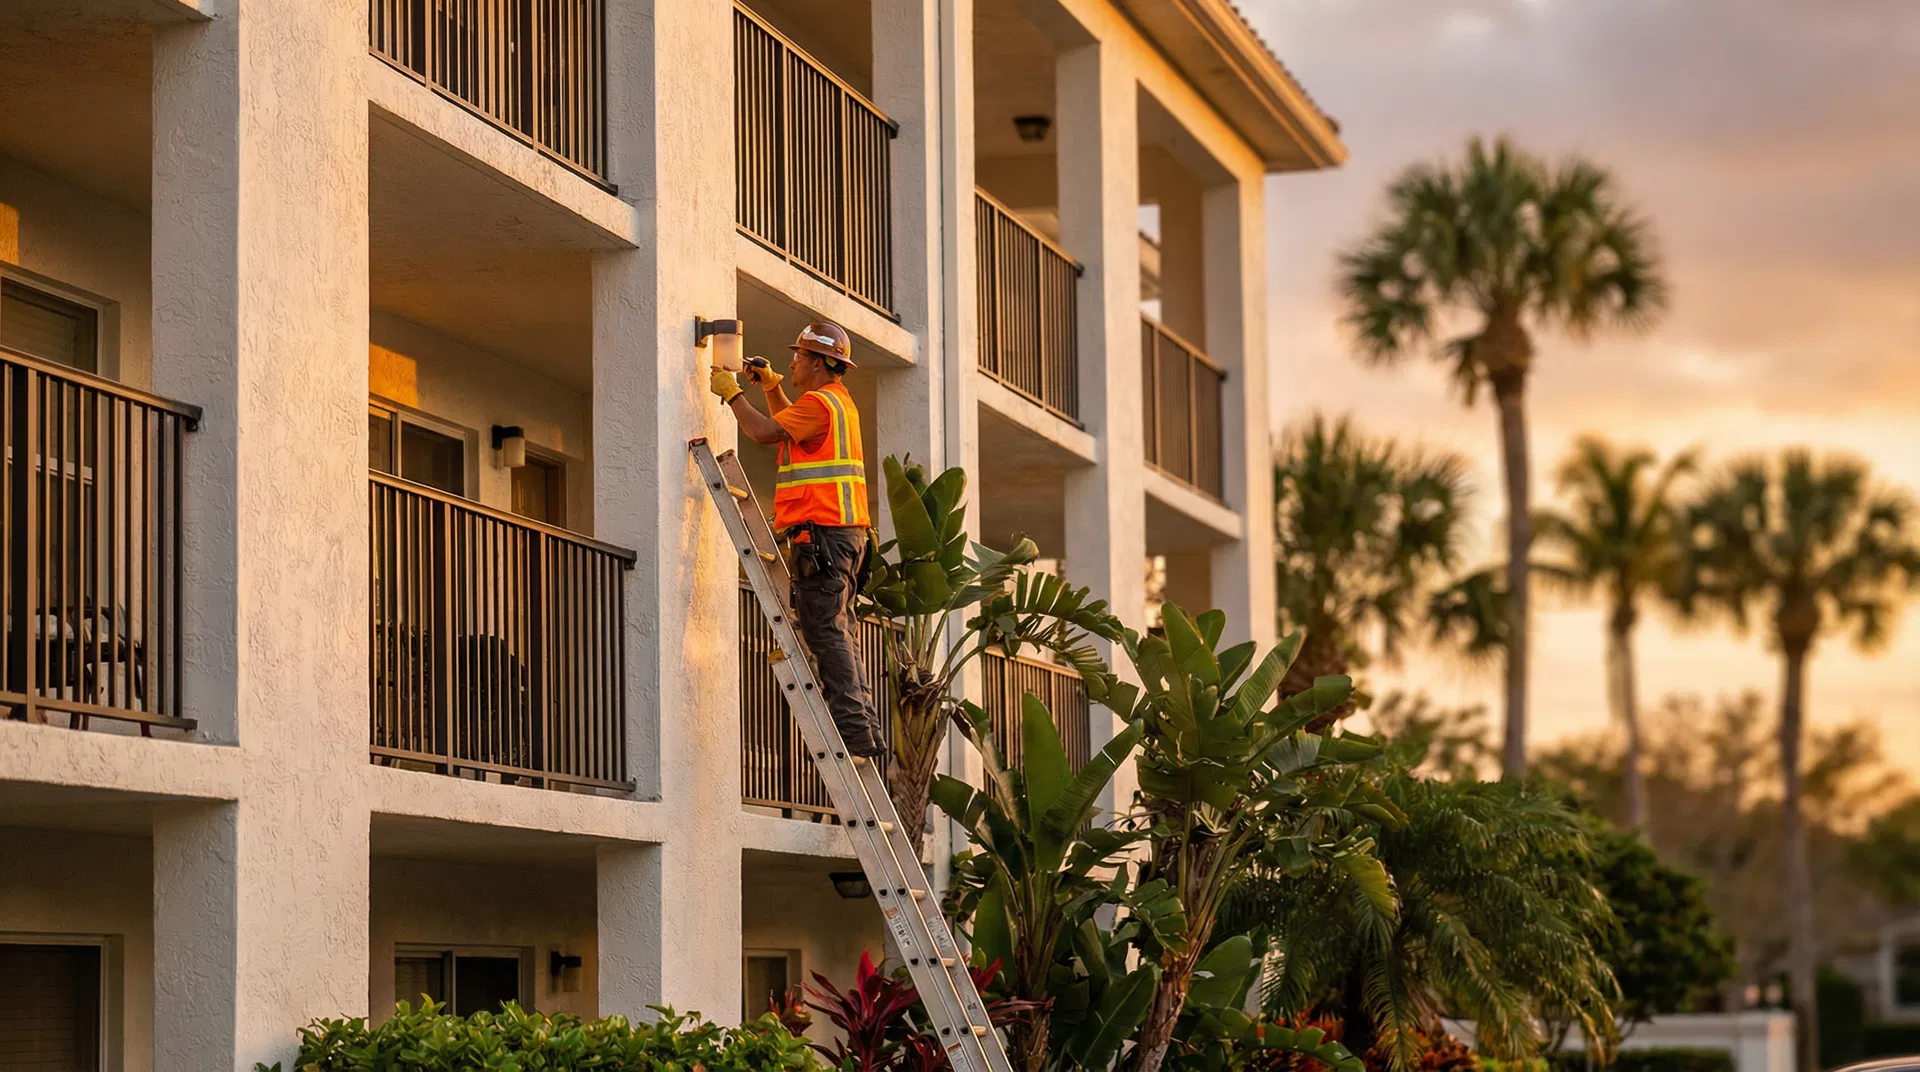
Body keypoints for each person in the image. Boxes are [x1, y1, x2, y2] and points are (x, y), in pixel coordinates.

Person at [710, 321, 887, 763]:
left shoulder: (819, 402)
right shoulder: (836, 403)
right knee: (839, 632)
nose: (790, 362)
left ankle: (854, 735)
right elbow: (790, 426)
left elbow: (766, 433)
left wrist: (732, 394)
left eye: (798, 356)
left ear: (819, 362)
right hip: (845, 536)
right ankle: (864, 728)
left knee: (826, 633)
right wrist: (770, 386)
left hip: (824, 535)